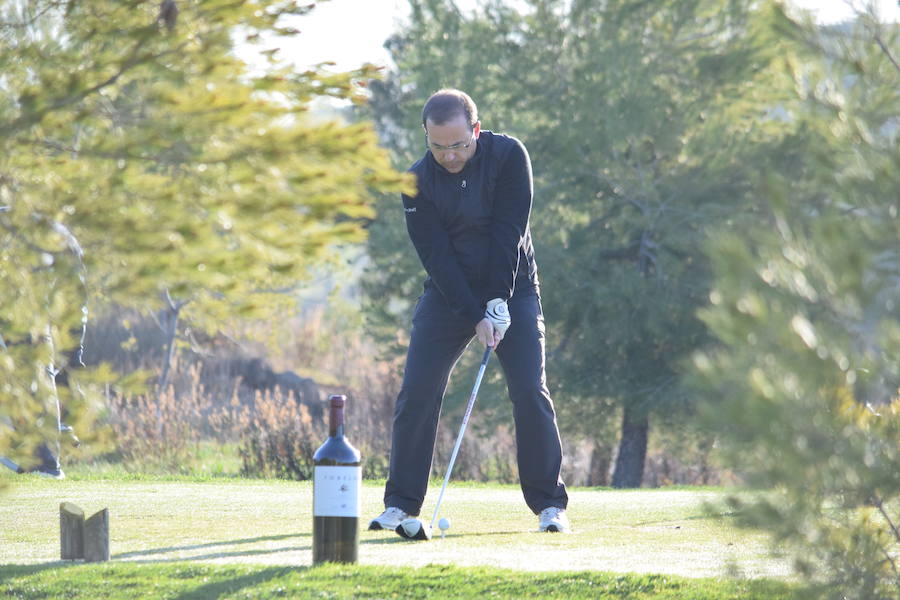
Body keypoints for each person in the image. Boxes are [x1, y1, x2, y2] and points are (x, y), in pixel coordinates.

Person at [369, 89, 570, 533]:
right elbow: (436, 257)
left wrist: (498, 300)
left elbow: (509, 231)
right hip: (449, 294)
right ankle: (401, 504)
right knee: (417, 390)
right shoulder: (416, 182)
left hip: (514, 286)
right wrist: (474, 312)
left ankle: (550, 506)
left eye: (459, 144)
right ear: (427, 137)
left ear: (475, 130)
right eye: (438, 147)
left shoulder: (509, 156)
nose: (450, 156)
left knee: (529, 390)